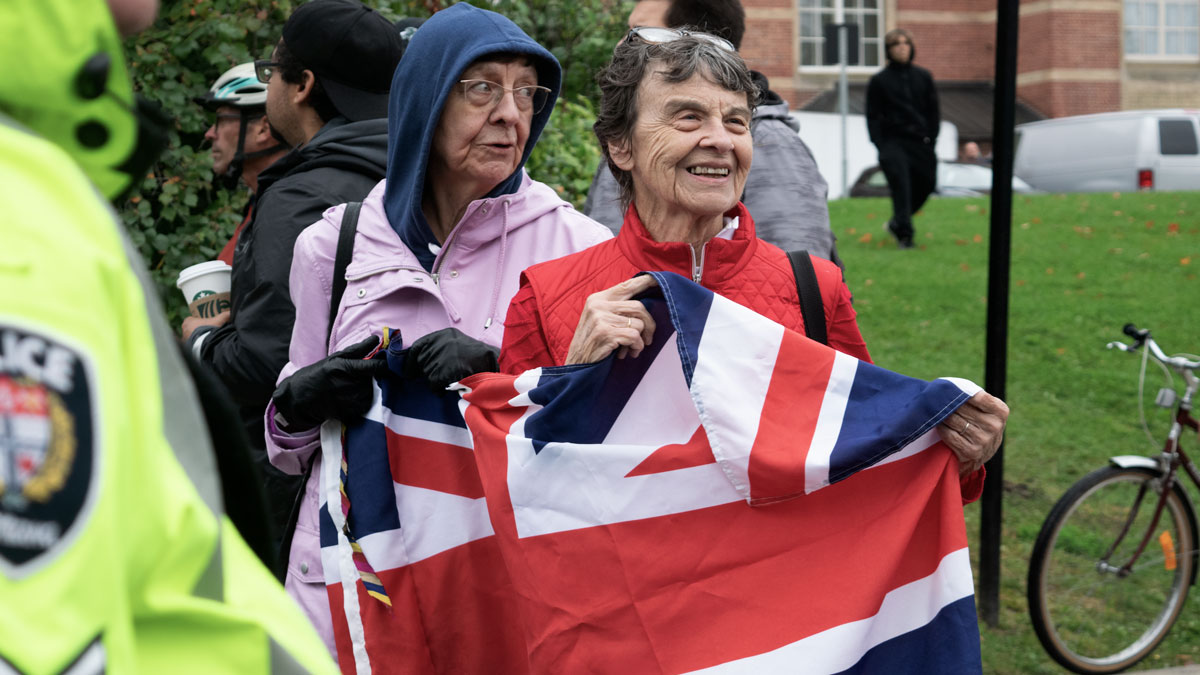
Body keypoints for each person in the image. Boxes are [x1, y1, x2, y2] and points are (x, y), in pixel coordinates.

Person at [262, 2, 612, 659]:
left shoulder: (580, 251)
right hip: (343, 593)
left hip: (490, 597)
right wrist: (296, 404)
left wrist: (504, 375)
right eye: (482, 87)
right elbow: (286, 447)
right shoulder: (332, 246)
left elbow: (606, 438)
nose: (511, 113)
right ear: (424, 100)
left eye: (527, 92)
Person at [501, 29, 1007, 481]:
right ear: (621, 146)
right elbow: (505, 484)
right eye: (688, 117)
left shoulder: (814, 288)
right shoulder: (545, 296)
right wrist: (571, 379)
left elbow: (860, 462)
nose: (720, 140)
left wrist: (955, 453)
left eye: (738, 122)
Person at [0, 0, 338, 671]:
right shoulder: (27, 211)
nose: (212, 135)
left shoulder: (42, 194)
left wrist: (206, 345)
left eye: (224, 119)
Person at [182, 0, 405, 553]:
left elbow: (268, 362)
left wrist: (202, 341)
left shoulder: (303, 195)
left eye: (271, 70)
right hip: (400, 478)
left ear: (302, 84)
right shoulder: (416, 177)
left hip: (301, 494)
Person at [584, 0, 841, 267]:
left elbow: (797, 273)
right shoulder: (633, 131)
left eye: (639, 31)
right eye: (689, 118)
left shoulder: (770, 139)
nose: (621, 45)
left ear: (695, 41)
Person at [194, 62, 289, 265]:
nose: (210, 133)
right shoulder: (260, 206)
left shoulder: (287, 215)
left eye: (220, 120)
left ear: (263, 129)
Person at [866, 28, 940, 250]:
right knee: (902, 186)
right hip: (892, 142)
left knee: (928, 183)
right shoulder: (879, 81)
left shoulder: (923, 77)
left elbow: (933, 111)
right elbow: (873, 116)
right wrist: (880, 144)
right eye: (896, 44)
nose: (902, 47)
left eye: (905, 43)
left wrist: (931, 138)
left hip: (920, 142)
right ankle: (905, 236)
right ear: (888, 50)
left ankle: (897, 222)